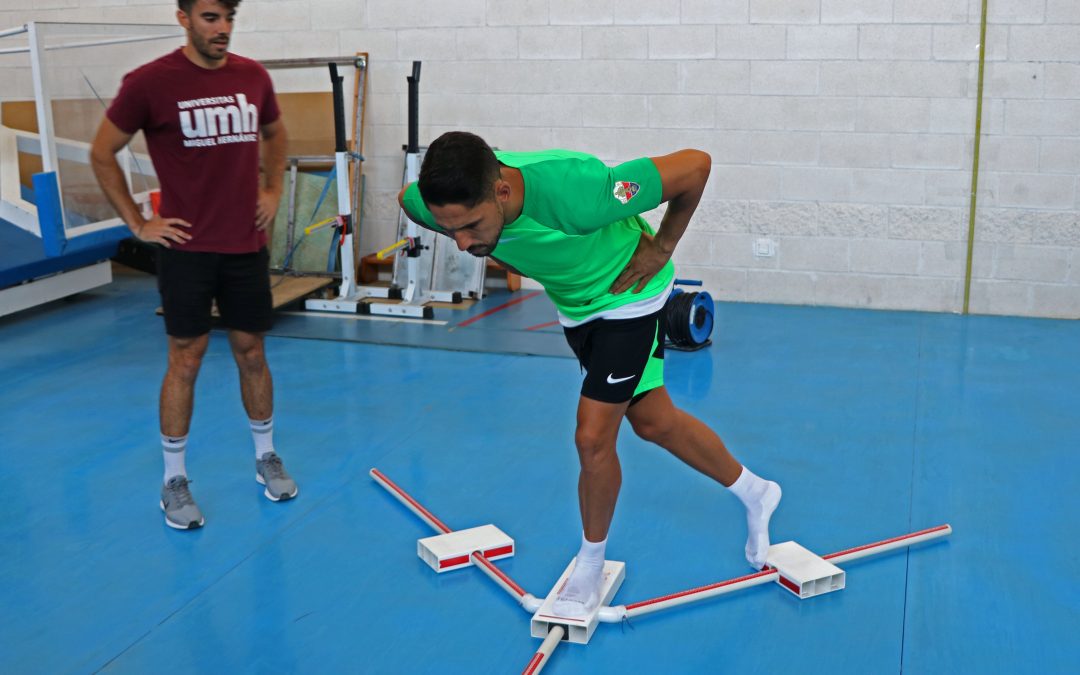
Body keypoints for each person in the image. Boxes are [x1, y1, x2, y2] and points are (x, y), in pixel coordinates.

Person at [399, 132, 782, 618]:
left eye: (472, 226)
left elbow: (696, 166)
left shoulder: (578, 193)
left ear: (501, 192)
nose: (464, 243)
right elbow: (409, 204)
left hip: (628, 295)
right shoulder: (430, 203)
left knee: (592, 438)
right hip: (577, 309)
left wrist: (662, 247)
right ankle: (757, 492)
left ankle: (589, 562)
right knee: (654, 422)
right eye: (450, 230)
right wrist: (471, 233)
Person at [90, 0, 297, 530]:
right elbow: (102, 152)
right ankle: (174, 481)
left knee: (252, 352)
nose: (222, 29)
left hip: (245, 245)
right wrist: (138, 223)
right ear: (183, 17)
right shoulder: (149, 83)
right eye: (210, 18)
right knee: (187, 356)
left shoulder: (253, 77)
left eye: (229, 17)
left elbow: (275, 135)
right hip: (186, 248)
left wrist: (272, 188)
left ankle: (266, 457)